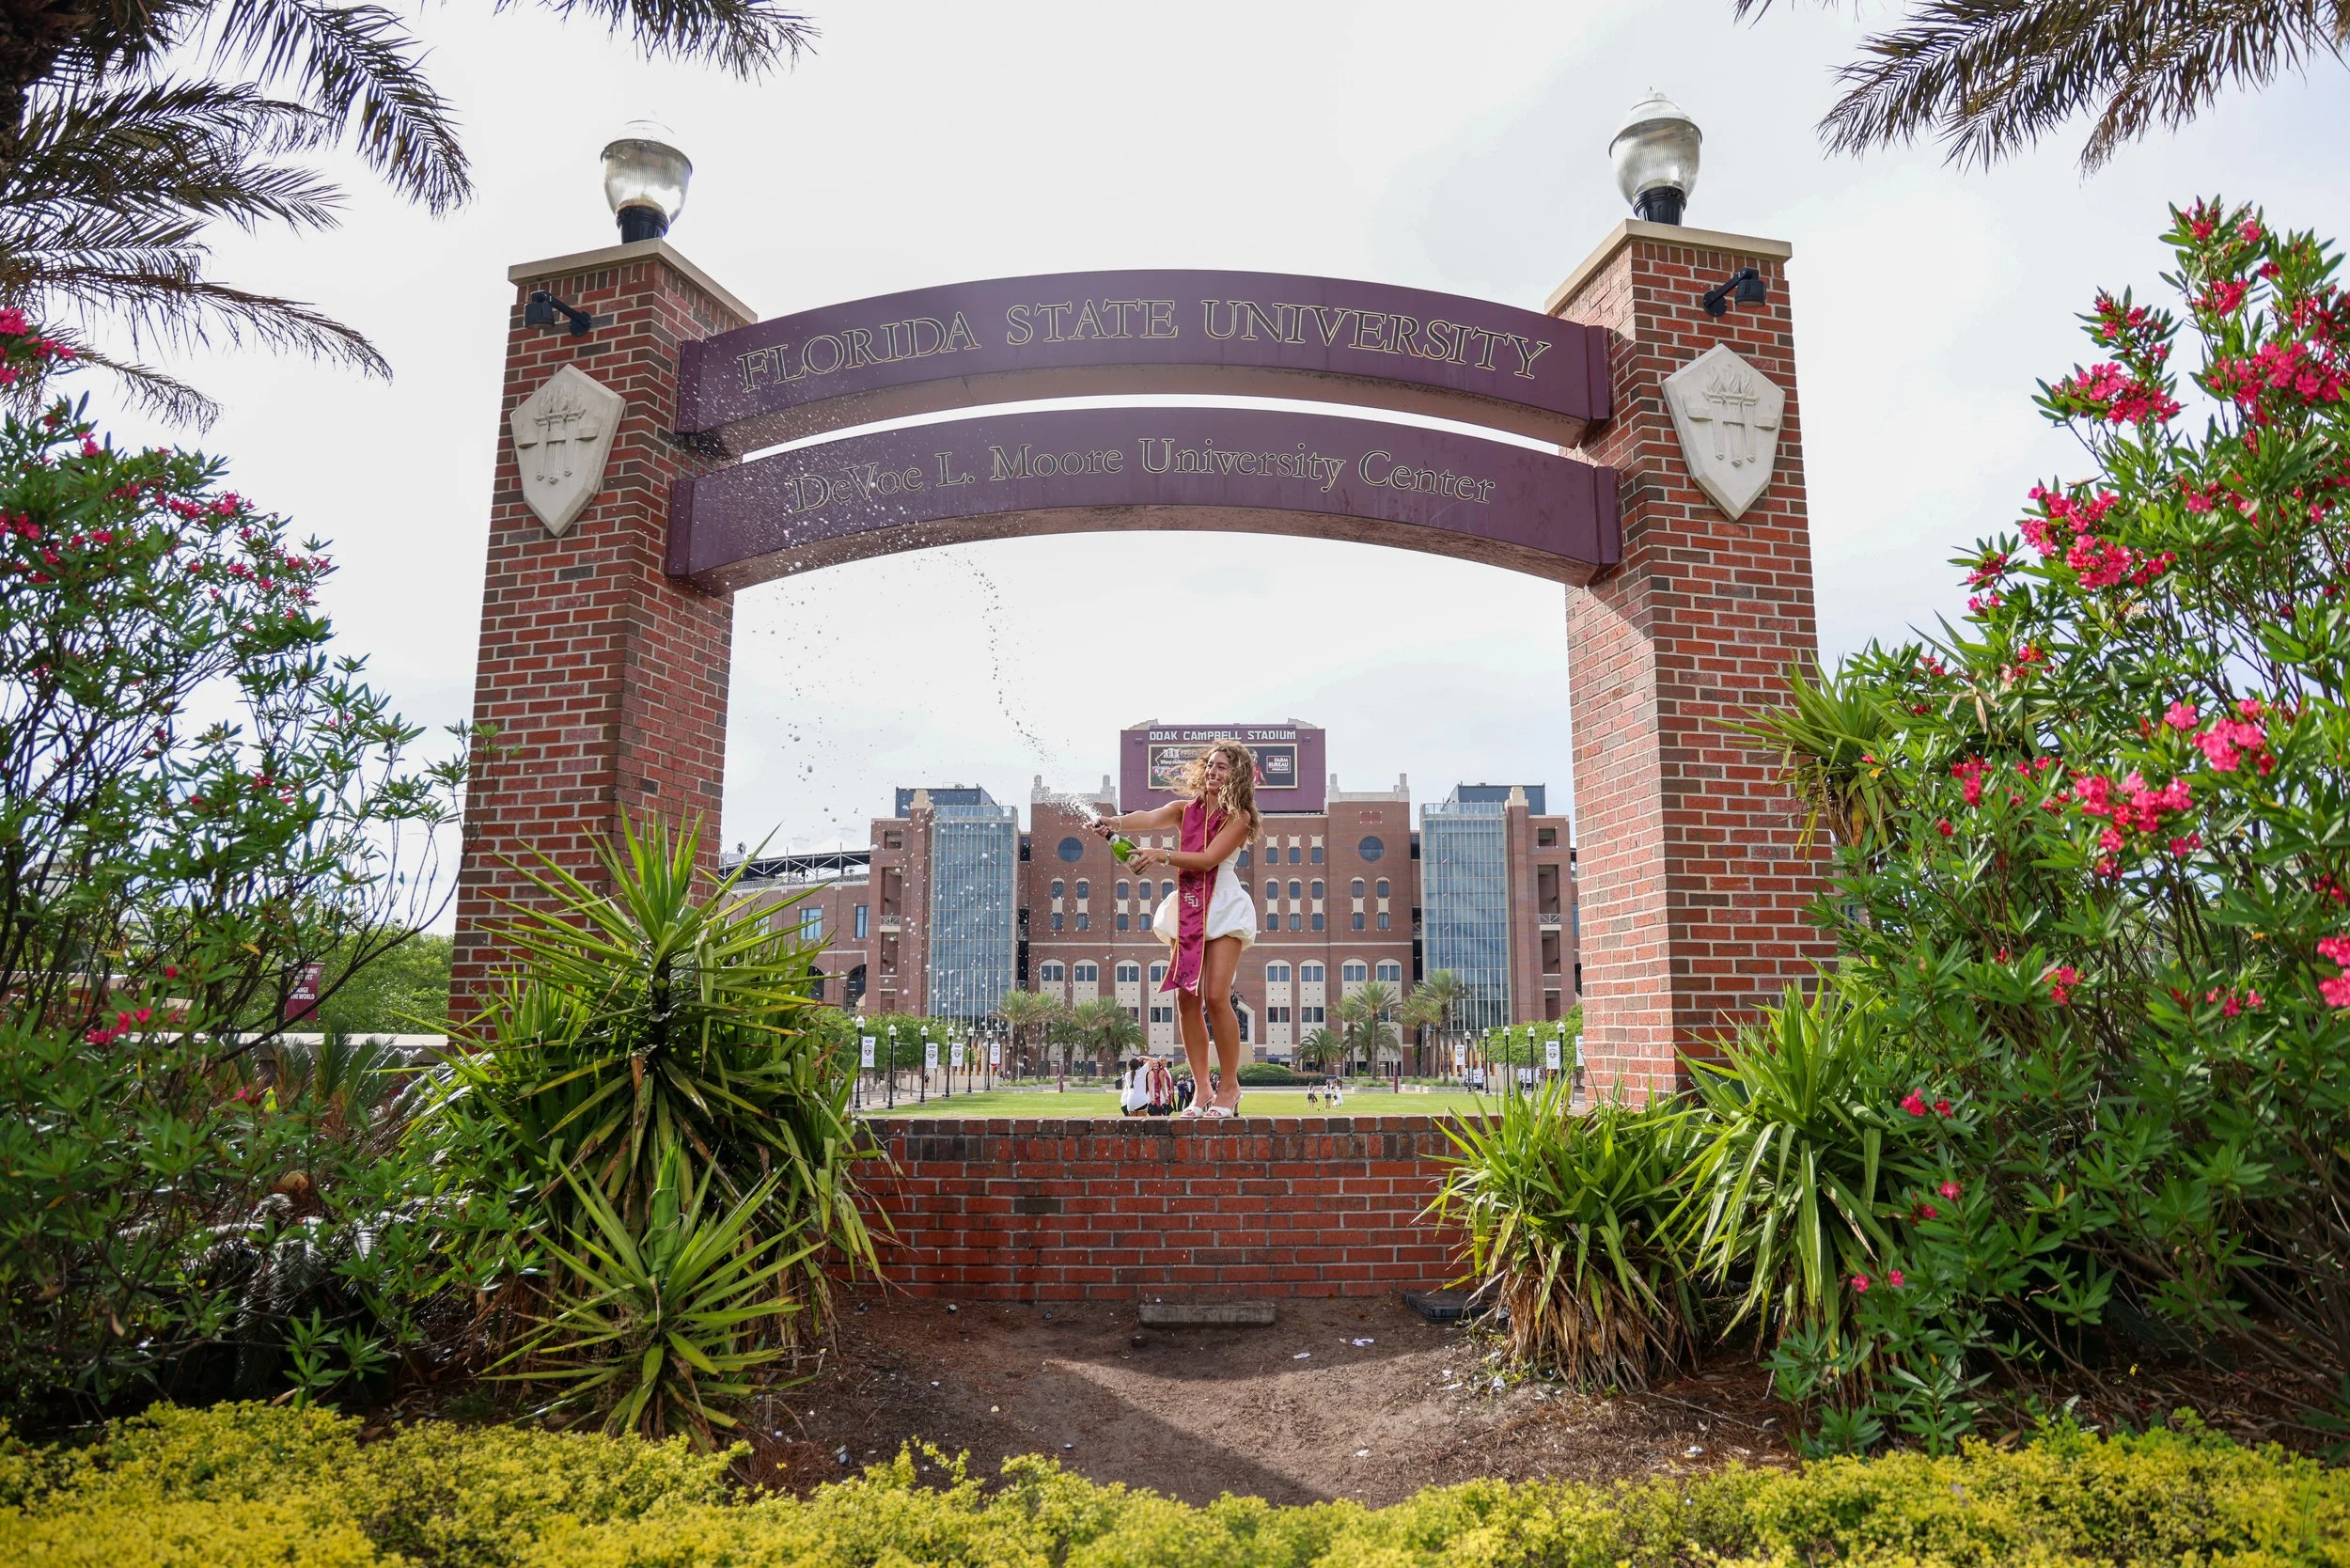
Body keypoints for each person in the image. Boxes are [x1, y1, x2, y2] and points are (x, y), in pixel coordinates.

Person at [1089, 741, 1261, 1118]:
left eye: (1223, 767)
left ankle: (1230, 1088)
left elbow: (1209, 859)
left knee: (1217, 995)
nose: (1214, 772)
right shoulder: (1185, 810)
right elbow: (1149, 817)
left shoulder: (1240, 817)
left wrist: (1160, 855)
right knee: (1186, 998)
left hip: (1225, 905)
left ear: (1238, 776)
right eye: (1211, 765)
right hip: (1189, 905)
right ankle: (1201, 1091)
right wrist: (1112, 824)